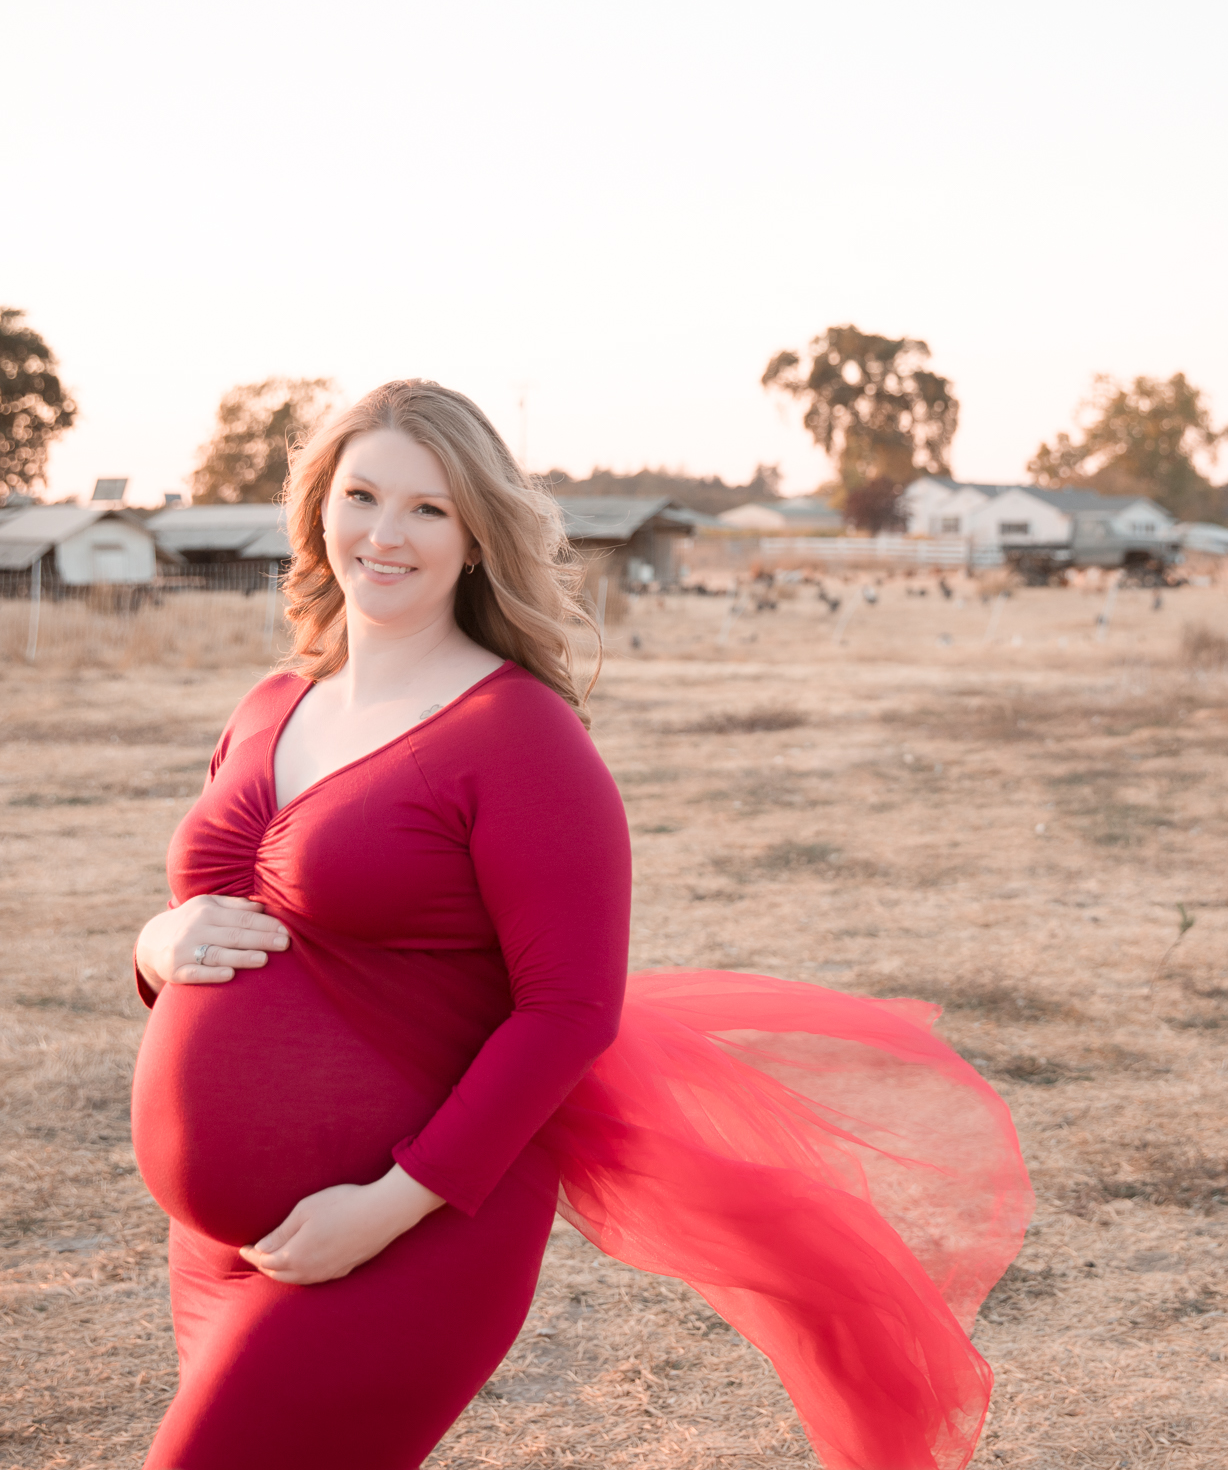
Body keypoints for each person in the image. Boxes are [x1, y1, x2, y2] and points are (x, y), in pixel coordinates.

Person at [129, 381, 1031, 1470]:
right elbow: (223, 920)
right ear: (319, 505)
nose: (385, 531)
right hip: (220, 1244)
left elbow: (568, 1011)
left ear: (476, 537)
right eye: (362, 494)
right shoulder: (275, 700)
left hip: (404, 1228)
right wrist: (156, 947)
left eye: (429, 508)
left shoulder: (518, 735)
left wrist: (384, 1207)